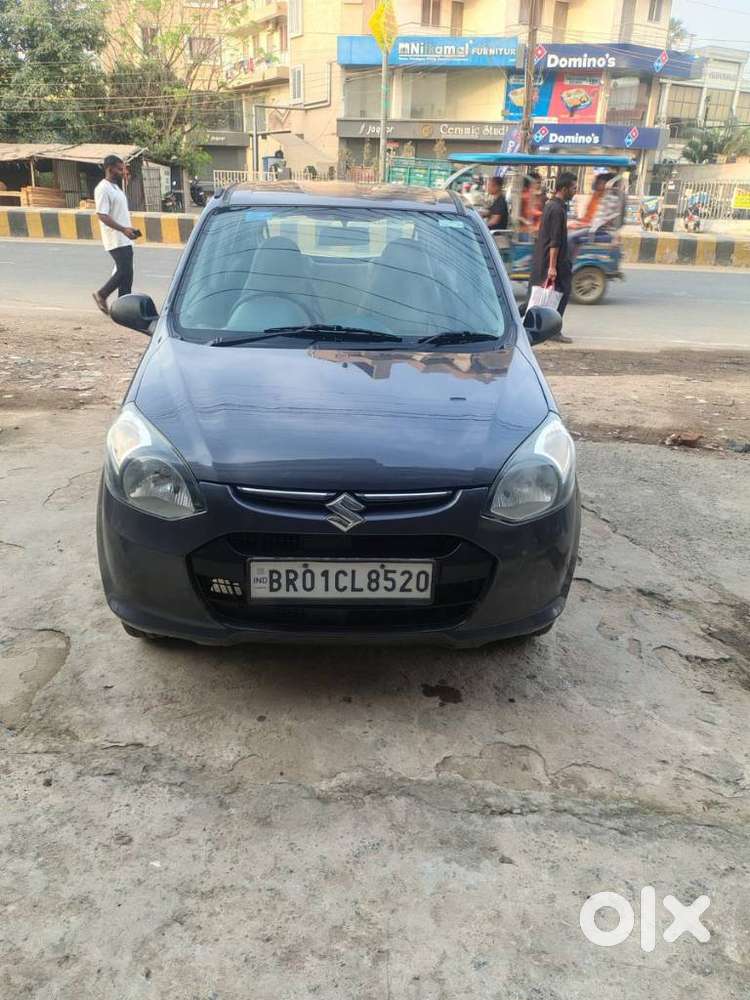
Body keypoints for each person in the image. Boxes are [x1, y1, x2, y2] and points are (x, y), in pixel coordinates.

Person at [529, 170, 577, 344]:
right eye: (573, 188)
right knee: (561, 293)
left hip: (545, 259)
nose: (574, 191)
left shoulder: (551, 205)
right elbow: (555, 241)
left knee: (542, 295)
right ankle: (554, 331)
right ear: (563, 188)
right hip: (554, 261)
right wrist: (552, 266)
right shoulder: (557, 209)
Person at [92, 154, 139, 315]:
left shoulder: (116, 188)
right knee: (124, 270)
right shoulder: (102, 188)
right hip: (115, 238)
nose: (122, 172)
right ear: (109, 169)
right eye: (119, 169)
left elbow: (119, 213)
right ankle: (102, 294)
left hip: (124, 237)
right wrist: (123, 229)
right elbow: (102, 215)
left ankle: (123, 310)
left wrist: (129, 229)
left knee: (128, 274)